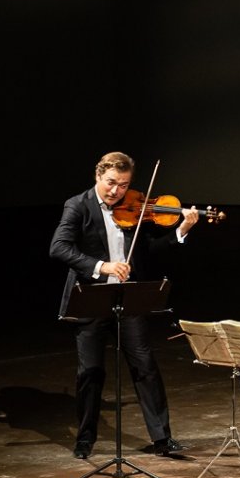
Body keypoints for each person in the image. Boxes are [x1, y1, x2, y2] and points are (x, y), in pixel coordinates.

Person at [49, 151, 199, 459]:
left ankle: (162, 438)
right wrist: (101, 266)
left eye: (124, 184)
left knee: (145, 366)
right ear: (98, 176)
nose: (117, 191)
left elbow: (149, 250)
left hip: (128, 297)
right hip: (91, 296)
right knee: (90, 371)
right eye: (111, 183)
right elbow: (59, 247)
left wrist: (180, 231)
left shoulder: (134, 207)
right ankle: (85, 438)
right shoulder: (78, 205)